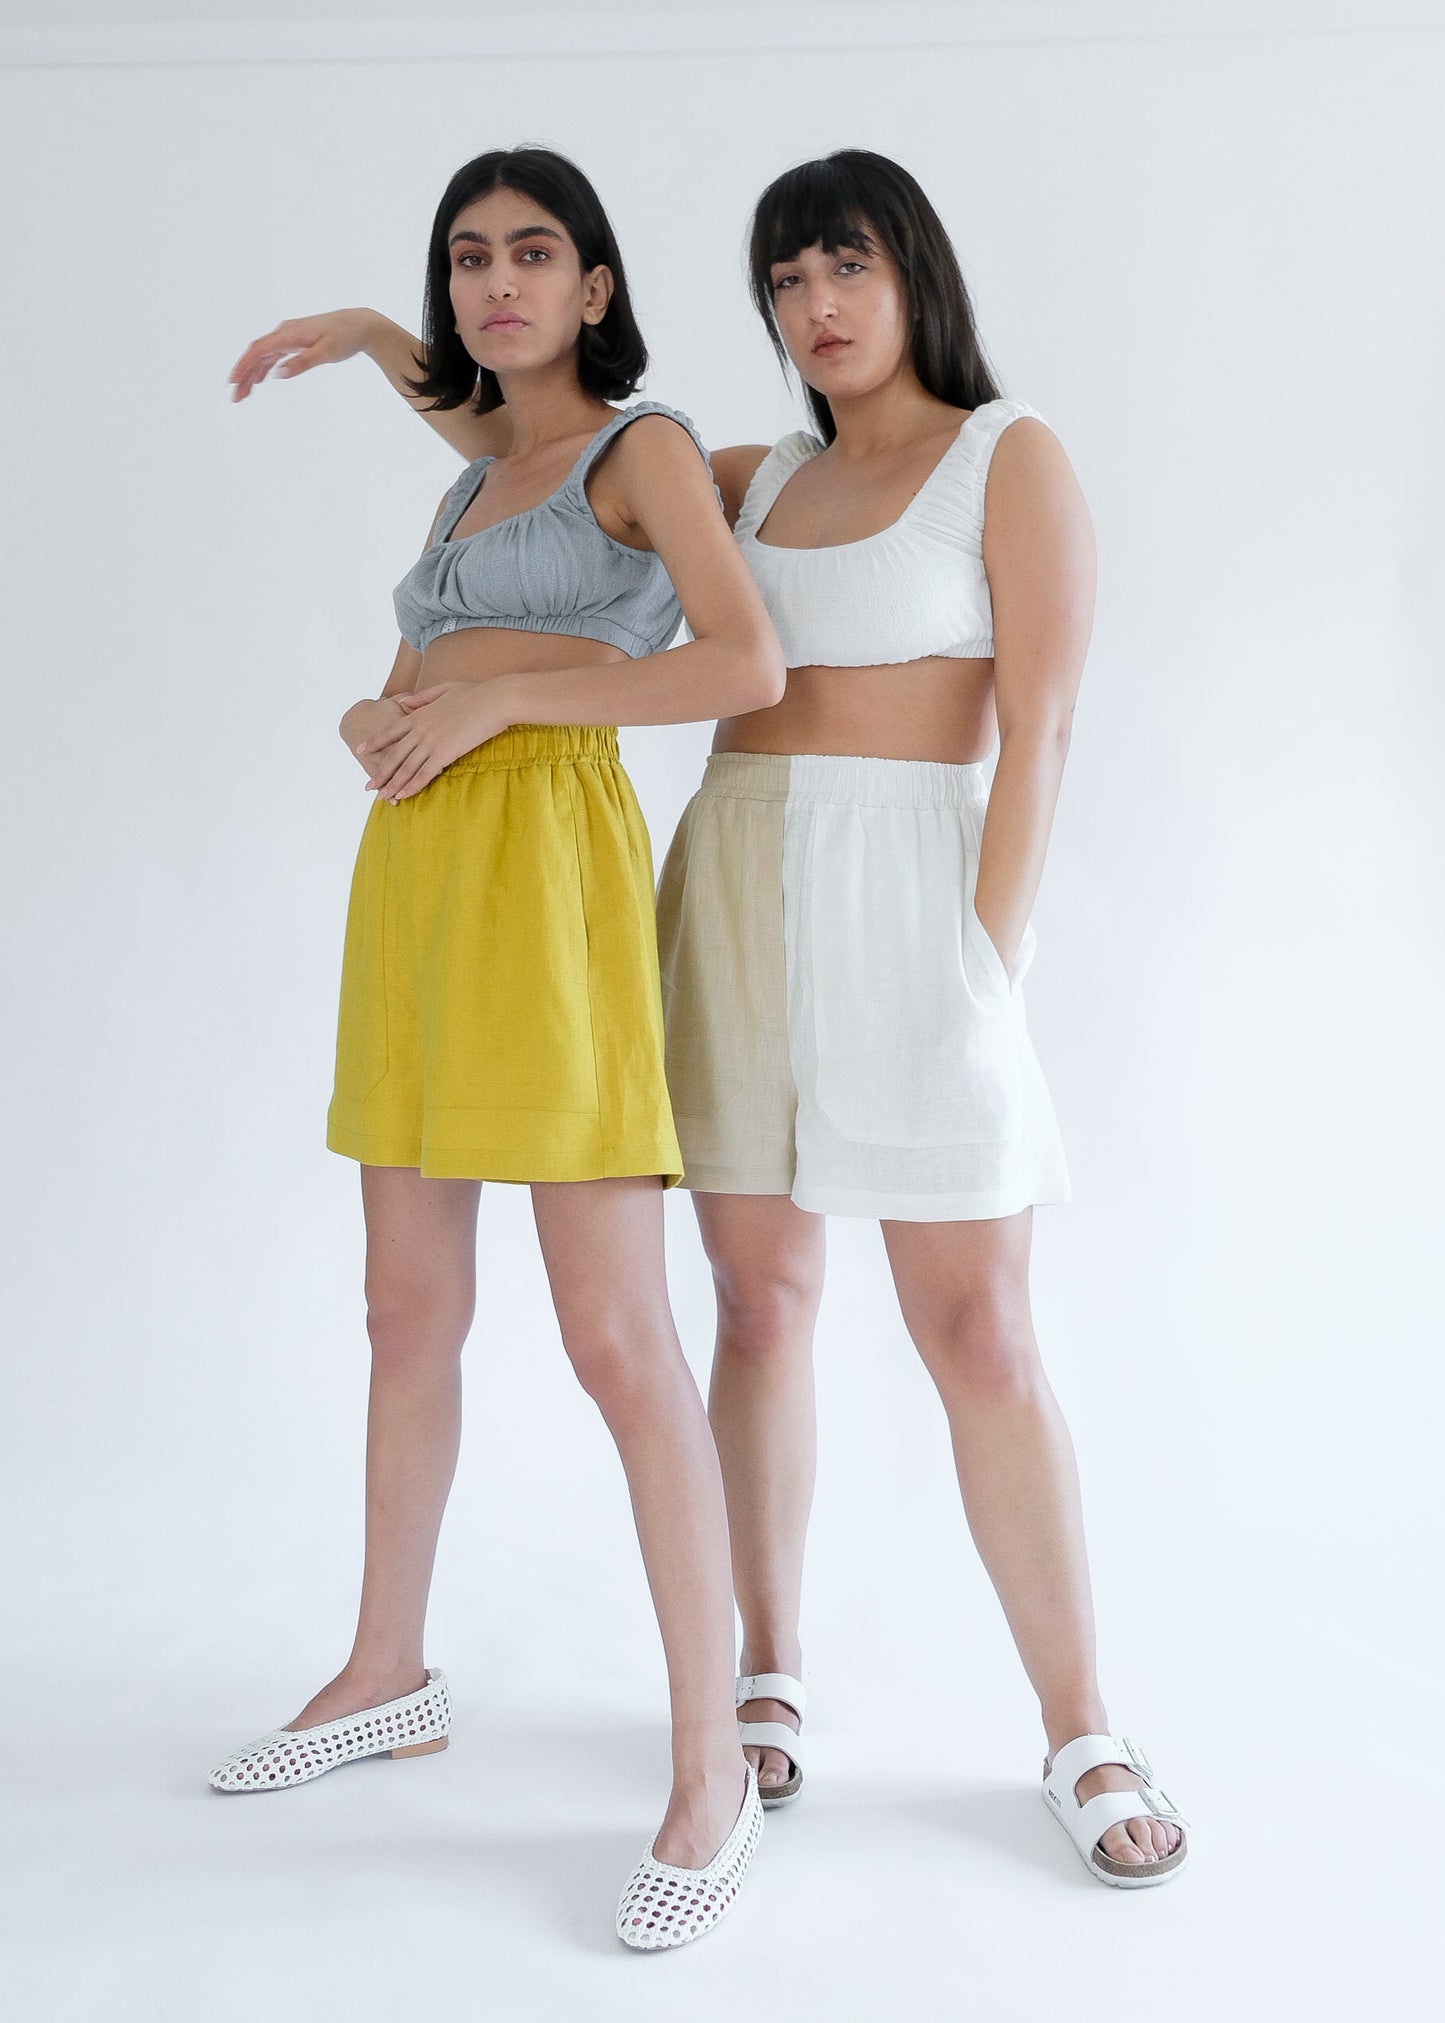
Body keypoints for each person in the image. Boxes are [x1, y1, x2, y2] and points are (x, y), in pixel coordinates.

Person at [228, 146, 1187, 1888]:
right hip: (729, 882)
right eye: (785, 285)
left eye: (845, 272)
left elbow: (1038, 730)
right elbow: (545, 463)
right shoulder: (753, 478)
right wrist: (391, 341)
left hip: (915, 899)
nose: (814, 310)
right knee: (757, 1301)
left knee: (976, 1332)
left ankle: (1079, 1723)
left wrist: (988, 963)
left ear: (914, 279)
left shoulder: (1004, 458)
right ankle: (765, 1674)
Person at [214, 146, 786, 1950]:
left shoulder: (646, 449)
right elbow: (464, 465)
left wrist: (499, 698)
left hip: (548, 873)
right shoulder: (482, 474)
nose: (496, 283)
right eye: (467, 259)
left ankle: (709, 1768)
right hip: (420, 883)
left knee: (616, 1332)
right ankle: (389, 1665)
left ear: (597, 286)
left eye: (533, 254)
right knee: (405, 1309)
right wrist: (390, 708)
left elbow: (744, 662)